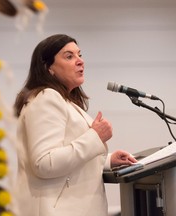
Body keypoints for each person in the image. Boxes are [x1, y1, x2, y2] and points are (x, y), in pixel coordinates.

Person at [13, 34, 137, 216]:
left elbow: (68, 161)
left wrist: (108, 160)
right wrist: (95, 137)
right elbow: (44, 163)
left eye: (80, 55)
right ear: (49, 68)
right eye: (69, 56)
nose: (80, 61)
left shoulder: (64, 101)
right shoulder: (47, 98)